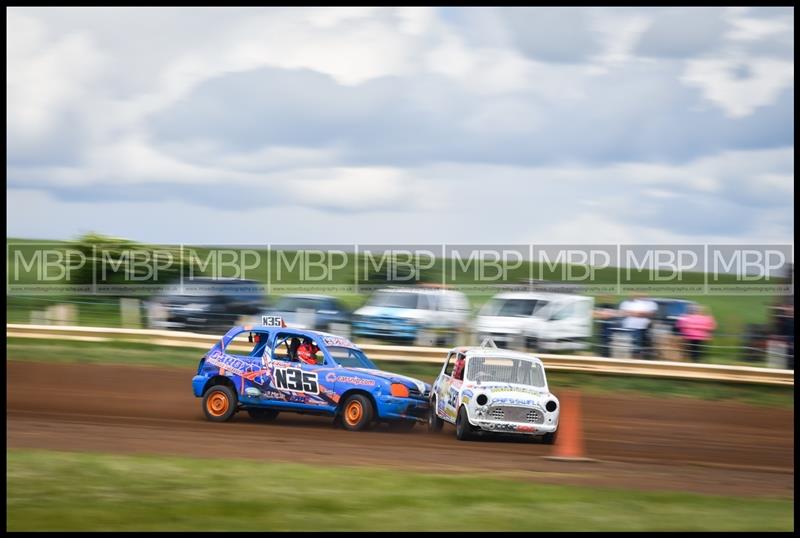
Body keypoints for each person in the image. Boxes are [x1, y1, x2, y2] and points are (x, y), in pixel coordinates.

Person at [619, 294, 657, 359]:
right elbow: (623, 313)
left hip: (643, 329)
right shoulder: (625, 303)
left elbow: (652, 314)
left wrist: (633, 313)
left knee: (640, 349)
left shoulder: (651, 304)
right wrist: (642, 314)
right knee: (629, 348)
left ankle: (638, 362)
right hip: (628, 328)